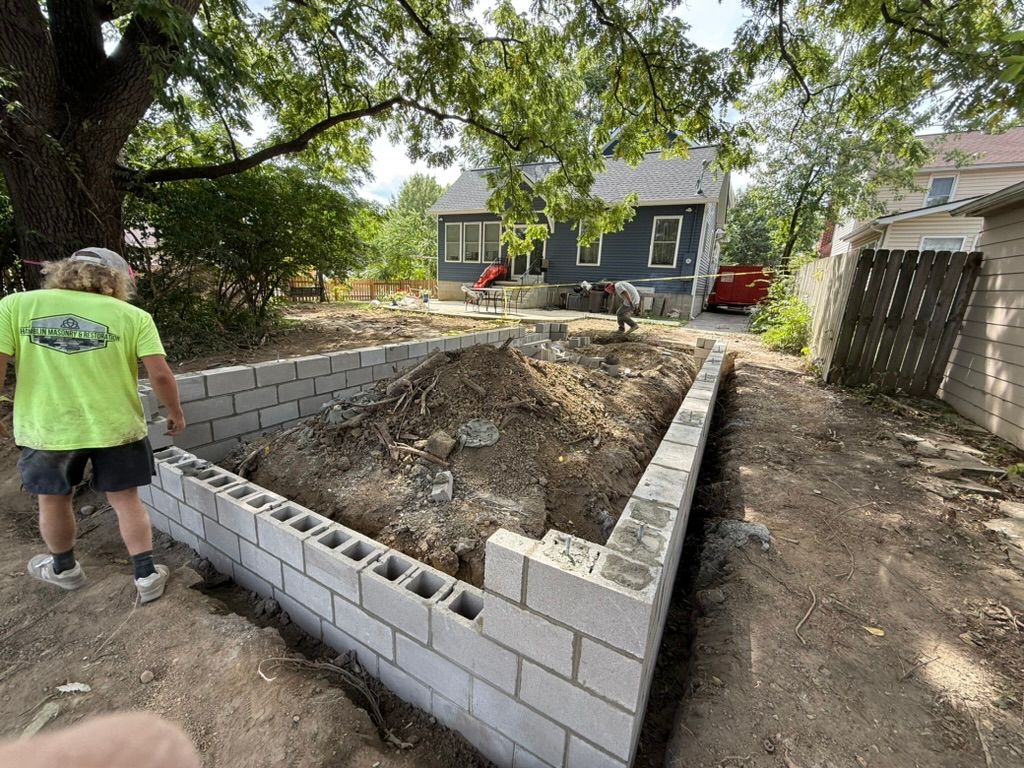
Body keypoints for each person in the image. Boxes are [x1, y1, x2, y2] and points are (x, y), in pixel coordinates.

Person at [0, 247, 186, 603]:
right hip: (116, 426)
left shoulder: (17, 305)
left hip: (48, 429)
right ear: (117, 280)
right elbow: (161, 374)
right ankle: (146, 576)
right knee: (126, 499)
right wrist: (174, 412)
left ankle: (64, 569)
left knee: (53, 499)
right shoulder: (132, 316)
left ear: (64, 270)